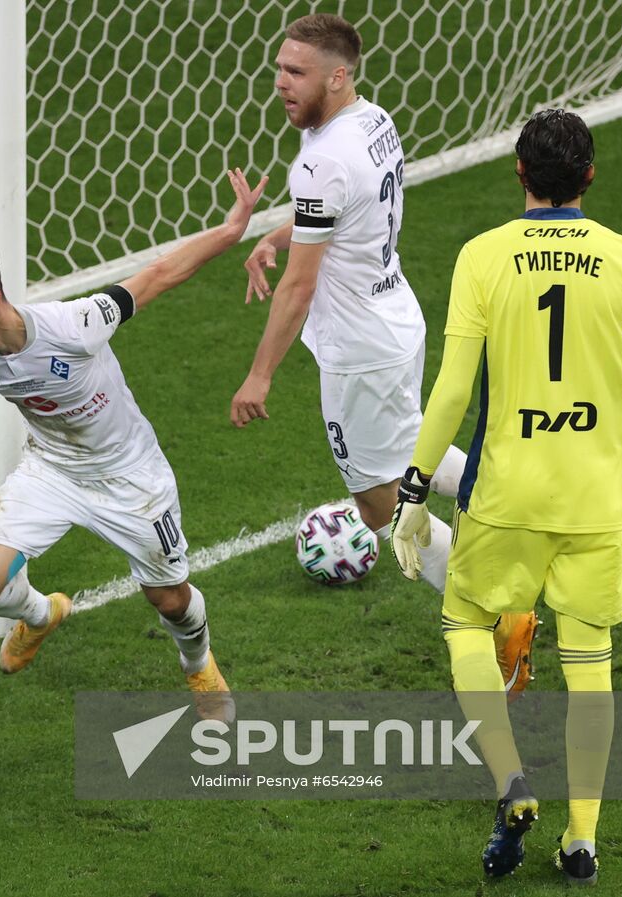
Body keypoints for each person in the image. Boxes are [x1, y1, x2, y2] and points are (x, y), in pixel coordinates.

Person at [391, 108, 622, 884]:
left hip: (503, 492)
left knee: (467, 623)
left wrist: (415, 490)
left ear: (519, 174)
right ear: (588, 178)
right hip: (593, 497)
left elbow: (450, 391)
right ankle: (581, 839)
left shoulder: (482, 257)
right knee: (591, 660)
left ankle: (512, 784)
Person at [228, 13, 537, 689]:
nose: (281, 84)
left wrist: (258, 375)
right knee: (409, 444)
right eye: (279, 68)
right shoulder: (375, 120)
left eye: (297, 72)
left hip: (359, 350)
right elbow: (344, 211)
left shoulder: (319, 158)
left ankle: (496, 614)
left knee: (377, 504)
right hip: (396, 319)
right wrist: (278, 236)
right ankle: (515, 496)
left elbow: (300, 287)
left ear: (337, 75)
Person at [0, 169, 268, 721]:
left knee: (170, 599)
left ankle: (199, 665)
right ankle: (41, 616)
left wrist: (232, 231)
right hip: (53, 471)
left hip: (130, 476)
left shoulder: (75, 325)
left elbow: (157, 276)